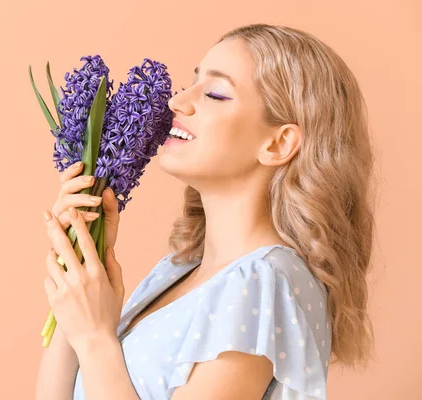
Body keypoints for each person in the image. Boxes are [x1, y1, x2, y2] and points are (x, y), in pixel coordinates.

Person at [35, 23, 377, 400]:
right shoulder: (177, 271)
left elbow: (95, 347)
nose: (177, 102)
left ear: (278, 143)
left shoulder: (264, 284)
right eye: (192, 83)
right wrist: (84, 265)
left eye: (215, 94)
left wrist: (96, 337)